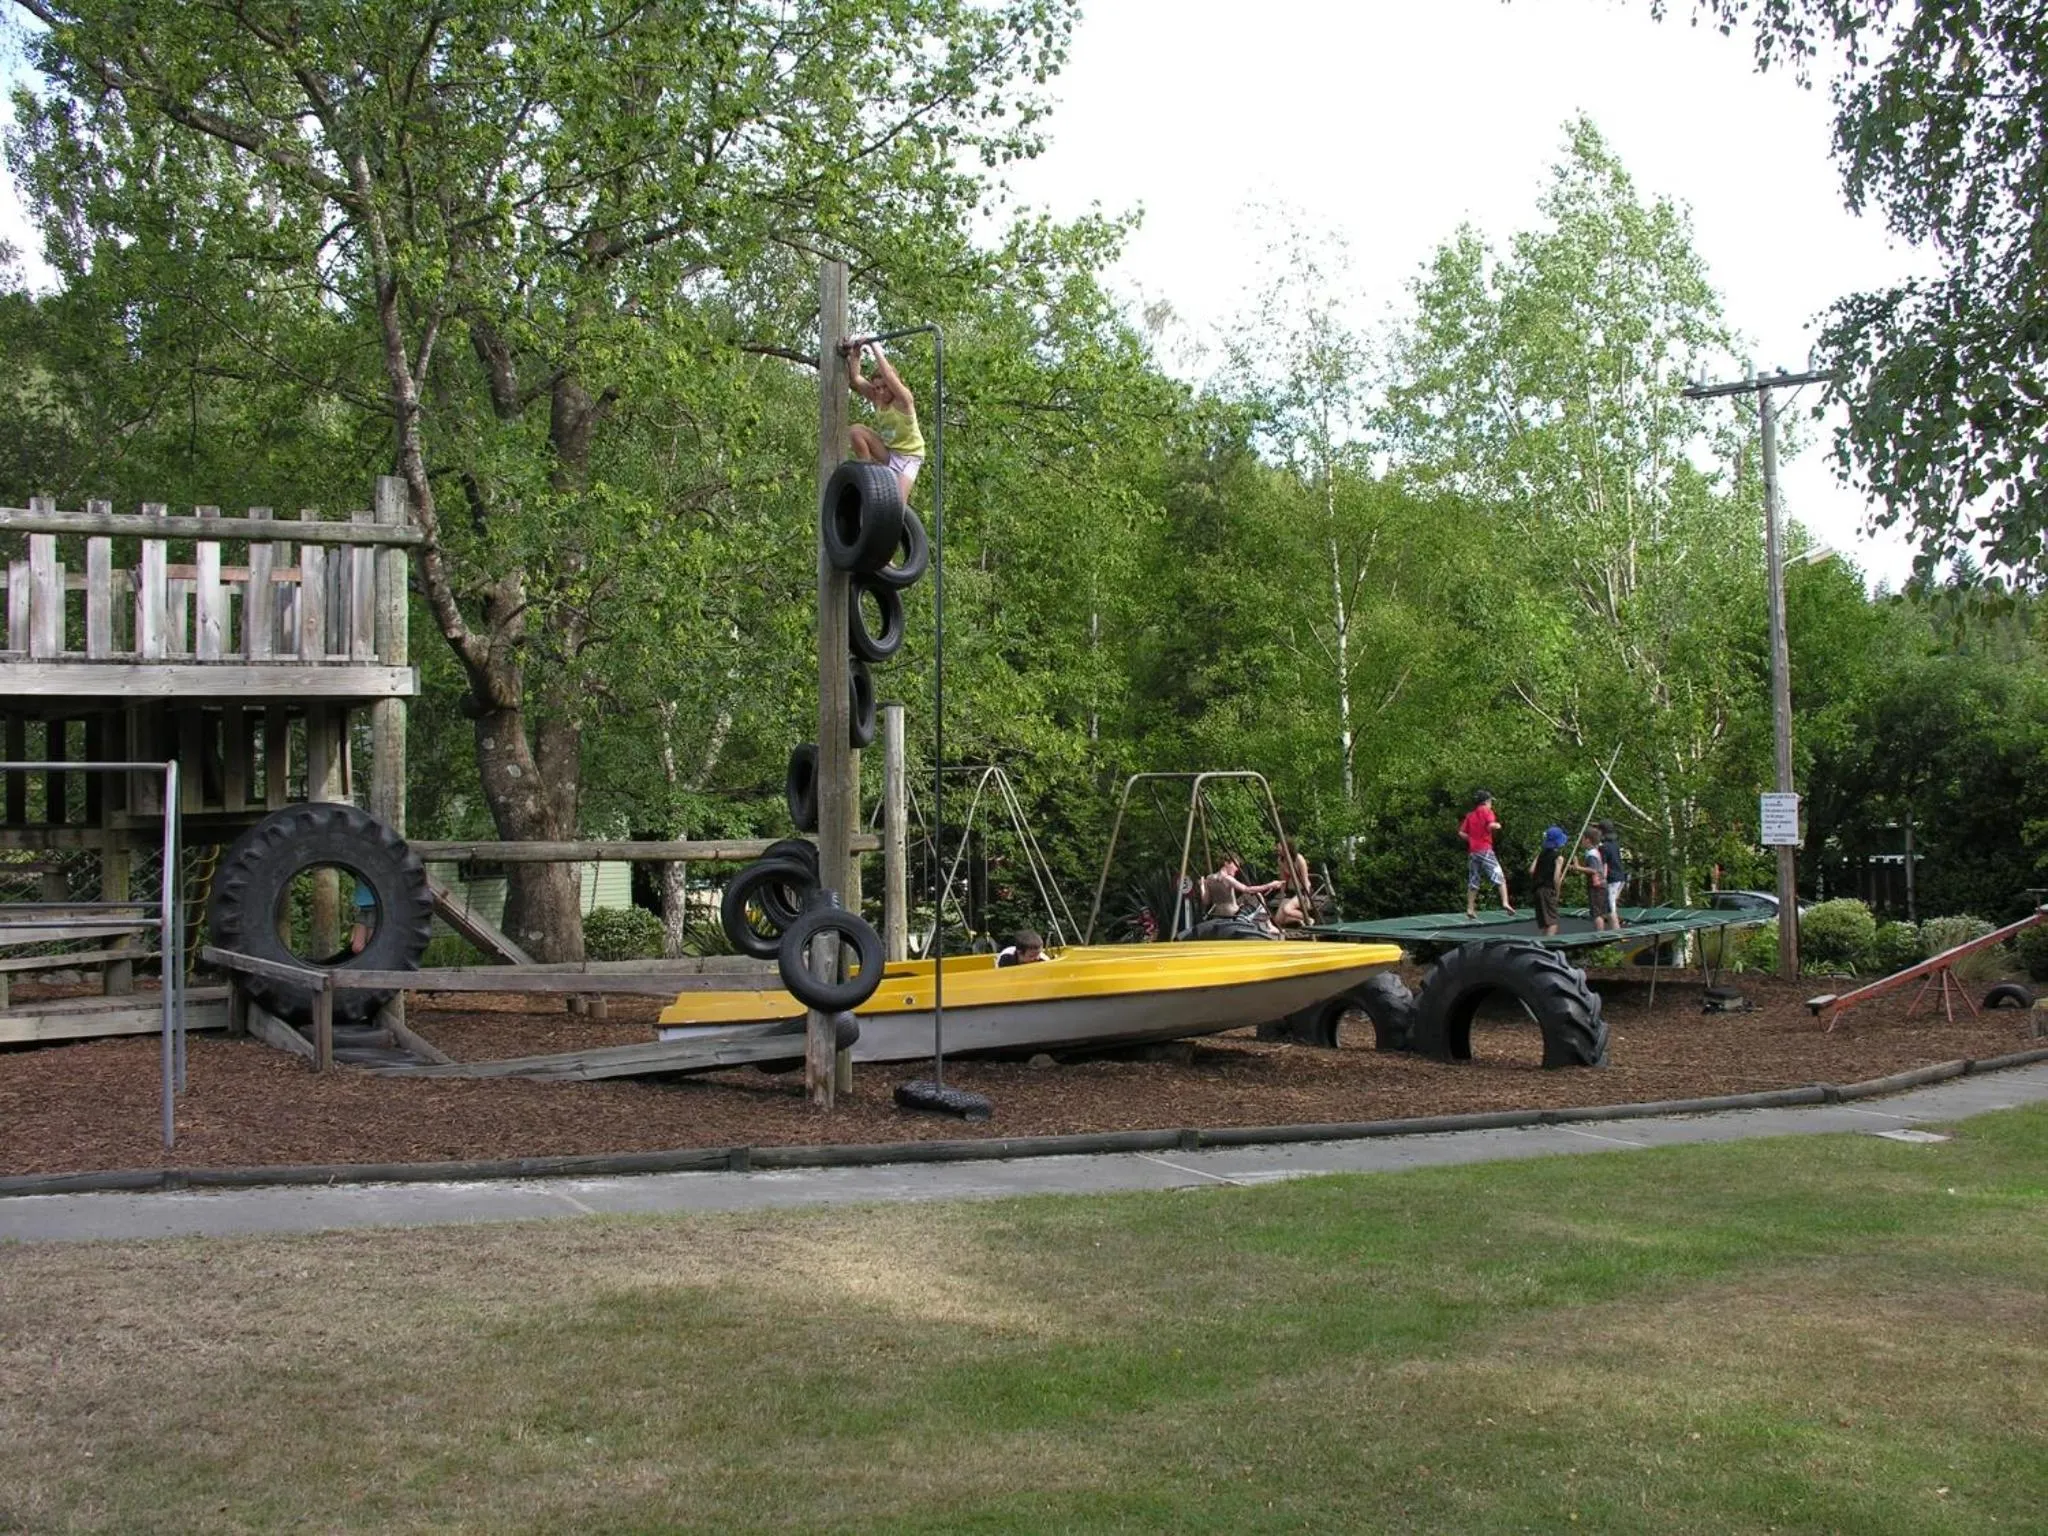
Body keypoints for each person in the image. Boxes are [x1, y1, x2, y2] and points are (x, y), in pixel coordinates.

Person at [843, 340, 924, 502]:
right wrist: (856, 352)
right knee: (855, 431)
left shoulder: (903, 401)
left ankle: (895, 514)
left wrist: (873, 345)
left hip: (910, 457)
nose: (880, 392)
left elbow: (888, 375)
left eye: (884, 387)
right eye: (877, 388)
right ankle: (868, 476)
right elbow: (856, 377)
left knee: (896, 503)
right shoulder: (877, 397)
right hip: (889, 453)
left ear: (892, 385)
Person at [1459, 791, 1514, 918]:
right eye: (1490, 802)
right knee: (1499, 876)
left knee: (1474, 879)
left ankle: (1470, 908)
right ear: (1487, 801)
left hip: (1473, 852)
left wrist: (1471, 839)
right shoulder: (1487, 811)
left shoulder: (1470, 815)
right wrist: (1498, 825)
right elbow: (1491, 825)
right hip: (1485, 850)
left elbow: (1461, 833)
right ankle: (1505, 902)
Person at [1202, 854, 1281, 919]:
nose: (1237, 869)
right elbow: (1247, 889)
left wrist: (1202, 886)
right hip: (1232, 914)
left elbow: (1206, 901)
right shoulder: (1227, 879)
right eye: (1235, 865)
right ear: (1226, 863)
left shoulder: (1209, 878)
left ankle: (1267, 924)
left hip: (1217, 915)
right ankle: (1268, 925)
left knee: (1247, 898)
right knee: (1258, 896)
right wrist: (1270, 885)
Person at [1528, 825, 1569, 936]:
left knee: (1544, 924)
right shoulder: (1558, 858)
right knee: (1552, 923)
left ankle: (1540, 944)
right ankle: (1548, 945)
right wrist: (1557, 893)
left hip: (1537, 890)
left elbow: (1531, 870)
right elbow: (1556, 878)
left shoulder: (1541, 854)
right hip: (1547, 890)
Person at [1272, 839, 1313, 928]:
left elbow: (1305, 879)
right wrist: (1281, 896)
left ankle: (1308, 919)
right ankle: (1299, 919)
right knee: (1278, 920)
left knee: (1287, 909)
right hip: (1290, 891)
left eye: (1279, 848)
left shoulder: (1299, 859)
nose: (1277, 849)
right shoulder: (1281, 860)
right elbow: (1283, 880)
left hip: (1302, 891)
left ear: (1287, 848)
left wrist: (1307, 897)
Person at [1575, 828, 1610, 932]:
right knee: (1598, 912)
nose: (1581, 841)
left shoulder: (1591, 854)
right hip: (1600, 886)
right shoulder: (1593, 852)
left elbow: (1593, 870)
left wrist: (1578, 867)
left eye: (1582, 839)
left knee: (1597, 913)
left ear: (1587, 840)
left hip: (1597, 887)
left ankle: (1600, 935)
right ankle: (1600, 933)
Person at [1598, 819, 1628, 927]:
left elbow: (1604, 865)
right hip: (1621, 877)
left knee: (1611, 909)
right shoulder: (1615, 844)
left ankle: (1617, 933)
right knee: (1611, 904)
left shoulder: (1604, 847)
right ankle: (1615, 929)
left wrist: (1602, 879)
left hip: (1613, 879)